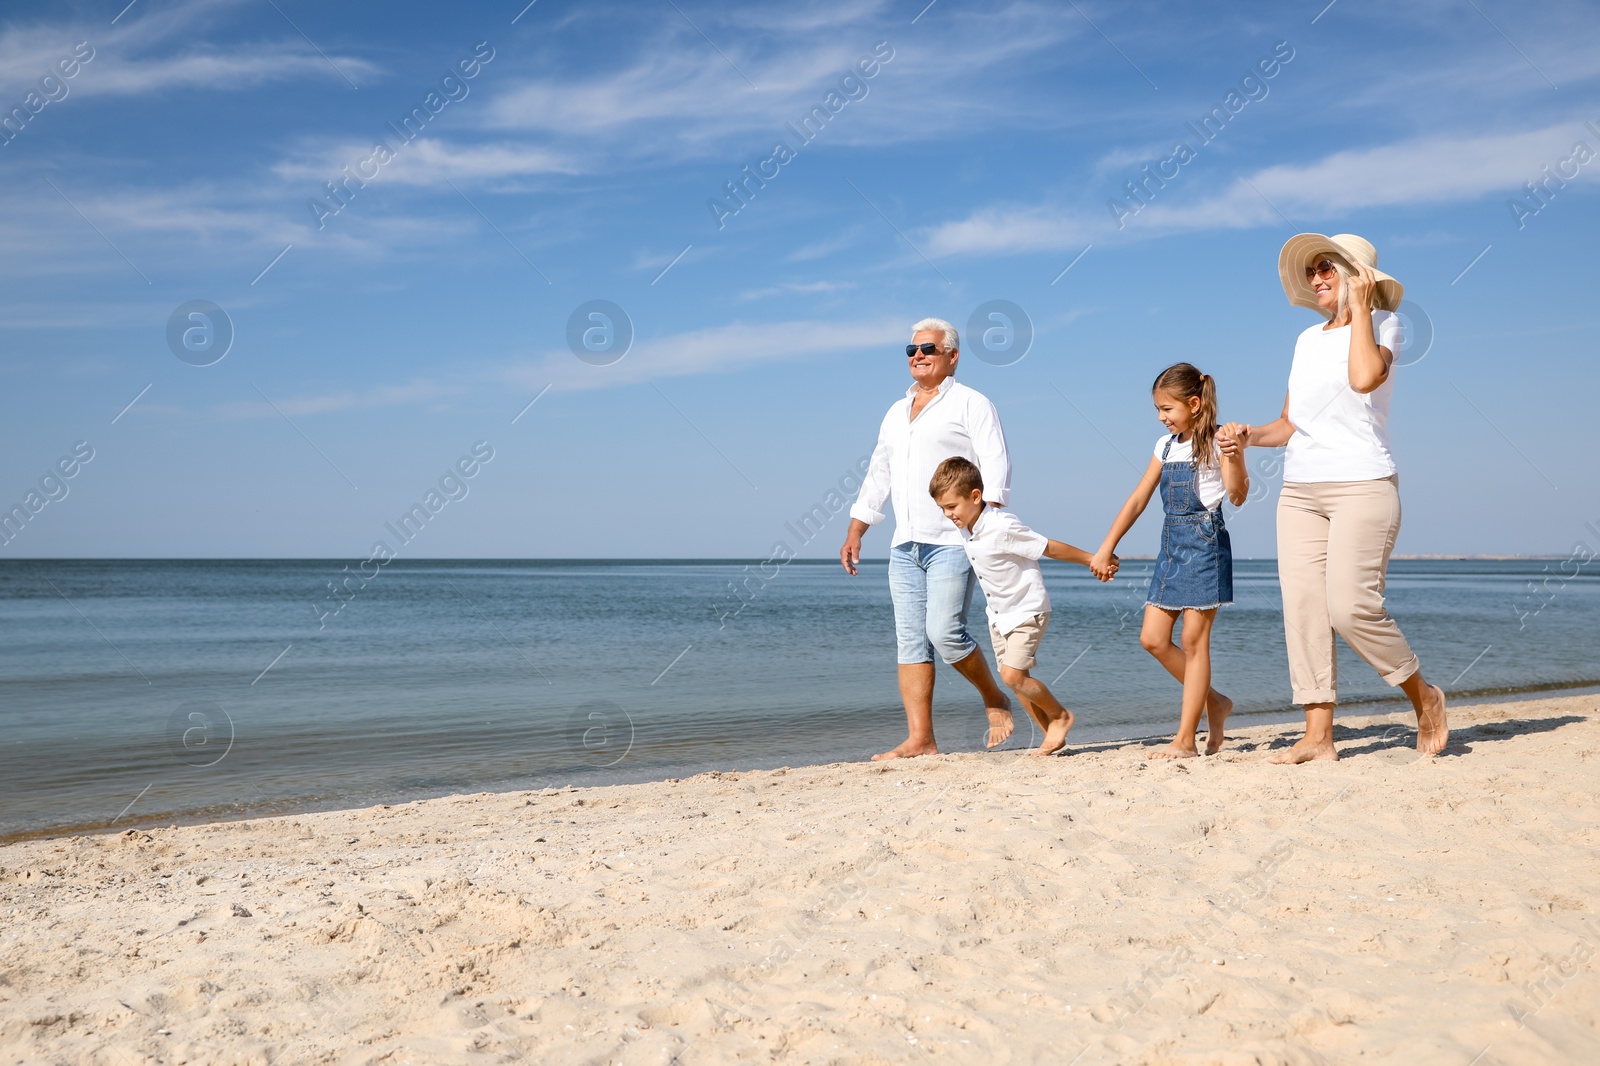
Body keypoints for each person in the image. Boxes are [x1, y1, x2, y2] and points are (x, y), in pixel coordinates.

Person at [1218, 233, 1448, 763]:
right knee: (1303, 611)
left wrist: (1363, 310)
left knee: (1351, 607)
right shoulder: (1304, 341)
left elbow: (1365, 377)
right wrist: (1248, 435)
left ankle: (1424, 695)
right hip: (1300, 490)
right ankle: (1318, 737)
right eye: (1314, 270)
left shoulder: (1387, 325)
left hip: (1363, 485)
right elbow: (1290, 424)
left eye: (1329, 268)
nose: (1317, 277)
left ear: (1358, 277)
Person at [840, 318, 1016, 760]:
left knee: (945, 633)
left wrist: (987, 522)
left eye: (928, 349)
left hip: (954, 541)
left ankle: (994, 697)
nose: (917, 355)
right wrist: (857, 528)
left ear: (951, 357)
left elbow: (995, 464)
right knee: (911, 641)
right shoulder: (895, 412)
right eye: (911, 349)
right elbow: (879, 471)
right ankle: (922, 739)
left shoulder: (973, 404)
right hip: (905, 545)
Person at [1091, 363, 1248, 759]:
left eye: (1167, 409)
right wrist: (1107, 545)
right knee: (1153, 639)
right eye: (1158, 410)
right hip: (1171, 545)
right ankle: (1214, 702)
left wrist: (1236, 456)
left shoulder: (1217, 442)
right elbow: (1139, 498)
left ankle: (1184, 740)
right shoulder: (1164, 446)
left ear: (1194, 404)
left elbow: (1238, 494)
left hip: (1205, 542)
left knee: (1194, 643)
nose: (1162, 417)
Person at [928, 457, 1114, 756]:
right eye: (942, 509)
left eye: (951, 507)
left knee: (1012, 676)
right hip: (1000, 616)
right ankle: (1049, 738)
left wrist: (1093, 559)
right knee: (1019, 681)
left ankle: (1061, 716)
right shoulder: (967, 527)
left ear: (976, 496)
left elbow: (1047, 547)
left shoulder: (1001, 525)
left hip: (1028, 609)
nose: (948, 515)